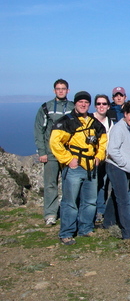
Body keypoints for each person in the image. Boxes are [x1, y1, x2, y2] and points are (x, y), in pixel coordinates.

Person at [49, 91, 107, 245]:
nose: (83, 104)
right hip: (74, 167)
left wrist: (99, 156)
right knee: (70, 202)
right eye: (80, 102)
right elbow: (55, 142)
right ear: (75, 103)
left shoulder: (94, 123)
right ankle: (66, 233)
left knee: (90, 201)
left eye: (86, 102)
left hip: (91, 167)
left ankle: (86, 229)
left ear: (89, 104)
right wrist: (68, 159)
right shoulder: (67, 121)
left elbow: (103, 139)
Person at [104, 100, 130, 243]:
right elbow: (112, 150)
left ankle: (108, 223)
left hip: (124, 168)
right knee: (124, 200)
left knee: (115, 196)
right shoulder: (119, 128)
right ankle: (129, 232)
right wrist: (125, 164)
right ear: (125, 114)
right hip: (116, 167)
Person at [34, 78, 74, 226]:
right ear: (54, 90)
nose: (61, 91)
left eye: (63, 88)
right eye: (58, 88)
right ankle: (50, 214)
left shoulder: (72, 107)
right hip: (50, 152)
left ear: (68, 90)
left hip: (68, 153)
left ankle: (66, 212)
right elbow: (39, 129)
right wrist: (42, 151)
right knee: (51, 183)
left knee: (68, 183)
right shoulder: (46, 107)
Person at [93, 94, 114, 224]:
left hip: (105, 159)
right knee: (89, 186)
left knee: (102, 186)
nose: (101, 106)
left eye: (104, 104)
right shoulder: (89, 119)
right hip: (90, 160)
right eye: (99, 104)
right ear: (95, 105)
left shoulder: (110, 123)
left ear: (108, 106)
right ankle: (89, 211)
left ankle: (100, 211)